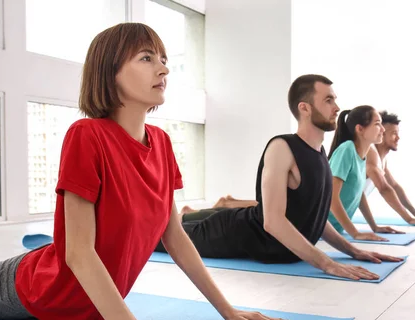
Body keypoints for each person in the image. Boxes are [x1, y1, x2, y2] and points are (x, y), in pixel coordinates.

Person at [0, 23, 292, 320]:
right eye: (146, 57)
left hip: (47, 271)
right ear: (110, 74)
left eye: (163, 59)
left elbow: (174, 236)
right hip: (37, 292)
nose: (163, 68)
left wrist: (228, 309)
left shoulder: (161, 143)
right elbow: (79, 253)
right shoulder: (87, 135)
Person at [156, 74, 402, 280]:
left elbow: (314, 217)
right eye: (328, 100)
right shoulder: (282, 147)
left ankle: (184, 214)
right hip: (228, 232)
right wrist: (328, 264)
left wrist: (352, 250)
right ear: (304, 108)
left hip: (270, 246)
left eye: (335, 100)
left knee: (168, 225)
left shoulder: (320, 153)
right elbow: (272, 222)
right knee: (156, 235)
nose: (337, 107)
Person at [327, 106, 403, 241]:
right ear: (360, 129)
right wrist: (355, 233)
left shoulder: (361, 155)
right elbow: (332, 197)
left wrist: (374, 227)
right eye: (377, 124)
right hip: (319, 229)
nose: (383, 129)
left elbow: (358, 194)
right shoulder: (347, 149)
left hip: (335, 230)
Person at [364, 111, 415, 225]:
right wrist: (409, 219)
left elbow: (394, 187)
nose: (398, 138)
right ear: (381, 133)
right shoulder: (371, 153)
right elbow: (384, 189)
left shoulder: (381, 160)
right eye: (394, 133)